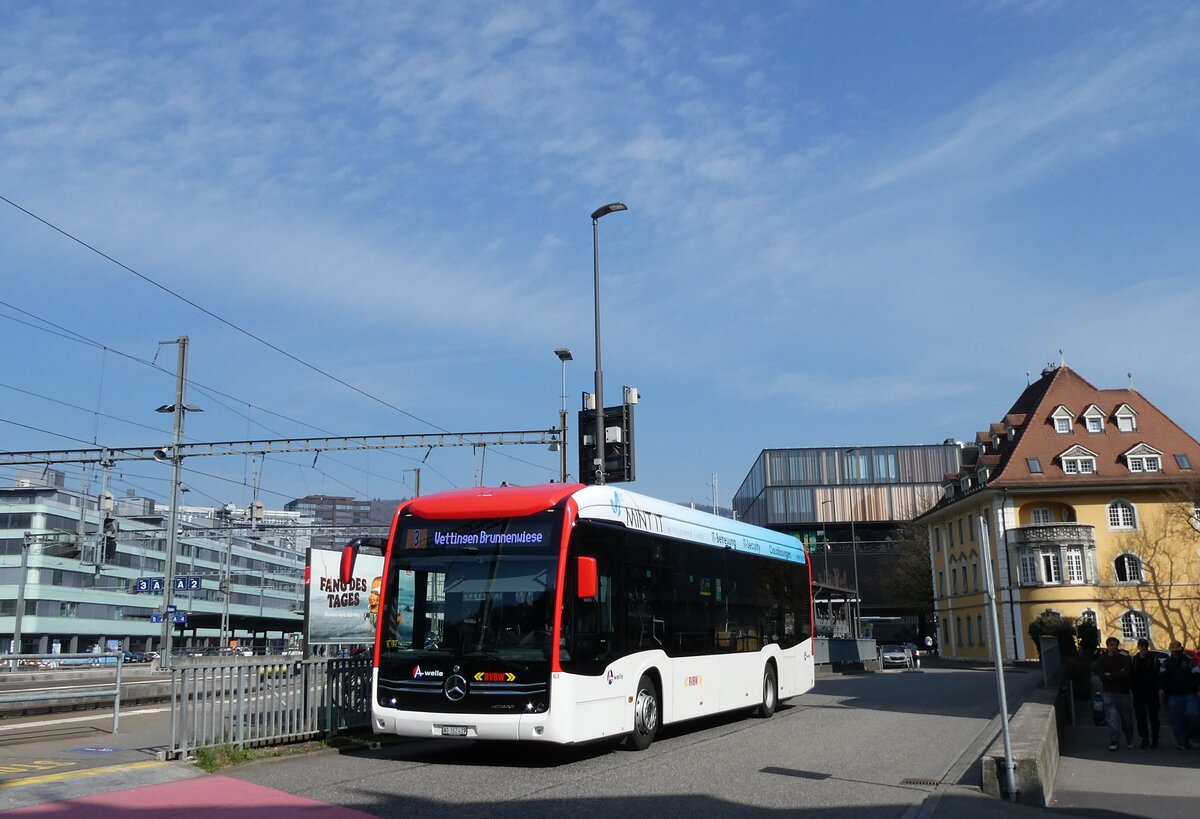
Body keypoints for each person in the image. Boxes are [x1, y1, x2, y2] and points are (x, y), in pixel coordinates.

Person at [1094, 636, 1134, 751]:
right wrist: (1117, 674)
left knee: (1127, 719)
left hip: (1123, 692)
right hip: (1109, 692)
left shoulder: (1124, 659)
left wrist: (1110, 675)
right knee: (1112, 719)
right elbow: (1102, 676)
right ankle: (1114, 741)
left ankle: (1129, 738)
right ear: (1108, 646)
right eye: (1111, 645)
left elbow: (1126, 674)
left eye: (1115, 645)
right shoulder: (1102, 660)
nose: (1113, 647)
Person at [1159, 639, 1200, 750]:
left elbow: (1197, 674)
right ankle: (1182, 742)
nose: (1176, 653)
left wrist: (1198, 688)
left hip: (1190, 694)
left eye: (1178, 650)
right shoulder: (1166, 663)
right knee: (1177, 720)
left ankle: (1194, 736)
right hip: (1173, 695)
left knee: (1195, 715)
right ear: (1171, 651)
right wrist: (1161, 689)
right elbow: (1161, 677)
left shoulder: (1189, 661)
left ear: (1181, 649)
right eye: (1174, 651)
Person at [1130, 637, 1161, 748]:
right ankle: (1144, 738)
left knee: (1154, 717)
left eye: (1145, 646)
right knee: (1140, 717)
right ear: (1138, 647)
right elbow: (1131, 677)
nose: (1143, 648)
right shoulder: (1134, 660)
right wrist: (1133, 689)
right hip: (1139, 694)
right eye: (1141, 646)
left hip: (1152, 693)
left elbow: (1157, 677)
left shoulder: (1154, 660)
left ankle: (1155, 738)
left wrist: (1158, 689)